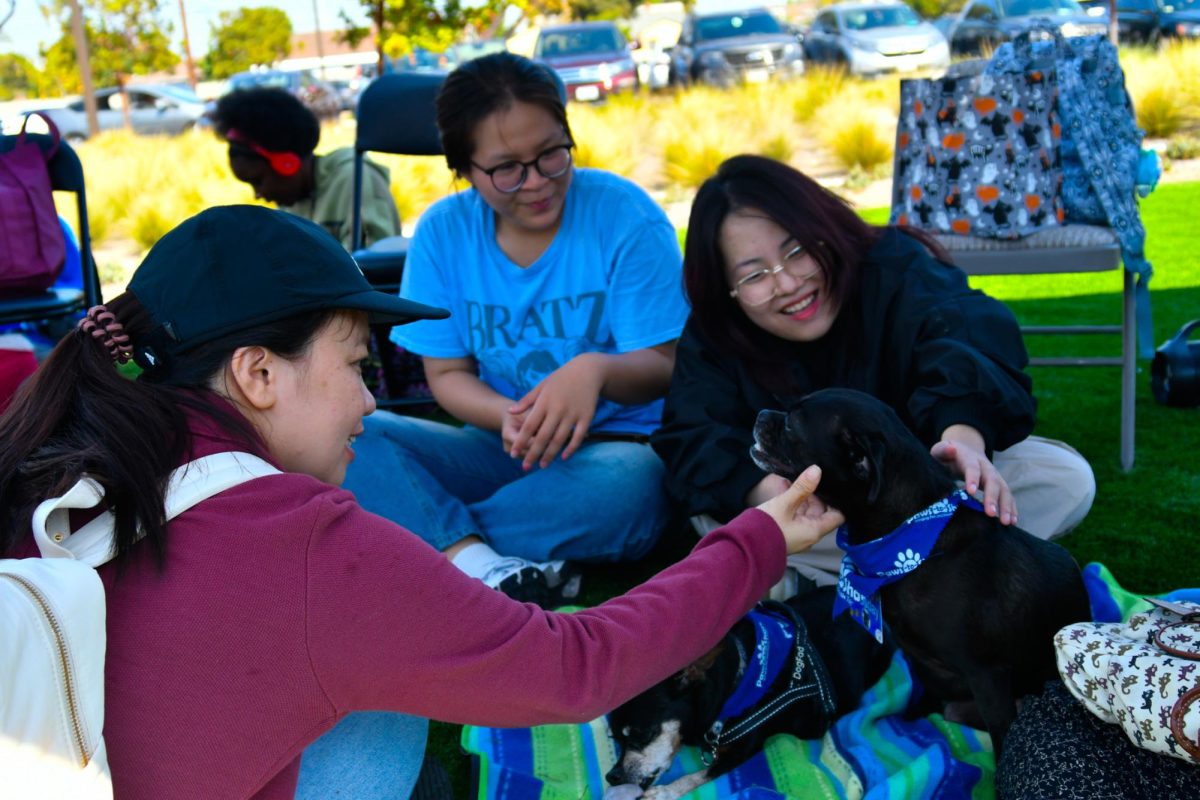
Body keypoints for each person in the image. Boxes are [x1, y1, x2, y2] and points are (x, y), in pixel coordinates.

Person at [0, 205, 843, 800]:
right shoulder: (300, 544)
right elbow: (577, 667)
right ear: (258, 373)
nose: (371, 400)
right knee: (389, 711)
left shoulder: (63, 443)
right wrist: (758, 537)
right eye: (356, 366)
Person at [650, 154, 1097, 591]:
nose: (787, 284)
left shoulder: (893, 264)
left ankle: (821, 577)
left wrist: (962, 438)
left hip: (917, 490)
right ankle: (925, 573)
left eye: (797, 251)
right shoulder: (716, 329)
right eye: (754, 276)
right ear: (727, 289)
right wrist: (770, 492)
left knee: (1064, 479)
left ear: (823, 230)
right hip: (807, 512)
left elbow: (963, 331)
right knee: (724, 517)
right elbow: (694, 432)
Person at [343, 53, 688, 607]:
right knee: (361, 432)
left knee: (632, 486)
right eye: (507, 168)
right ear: (464, 167)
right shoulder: (443, 233)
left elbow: (666, 364)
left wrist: (593, 370)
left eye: (552, 153)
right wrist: (511, 418)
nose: (536, 183)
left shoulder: (622, 215)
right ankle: (481, 562)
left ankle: (428, 548)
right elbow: (449, 375)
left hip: (613, 452)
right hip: (501, 448)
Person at [211, 86, 400, 249]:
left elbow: (375, 270)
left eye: (258, 181)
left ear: (287, 164)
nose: (258, 195)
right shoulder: (290, 205)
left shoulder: (354, 180)